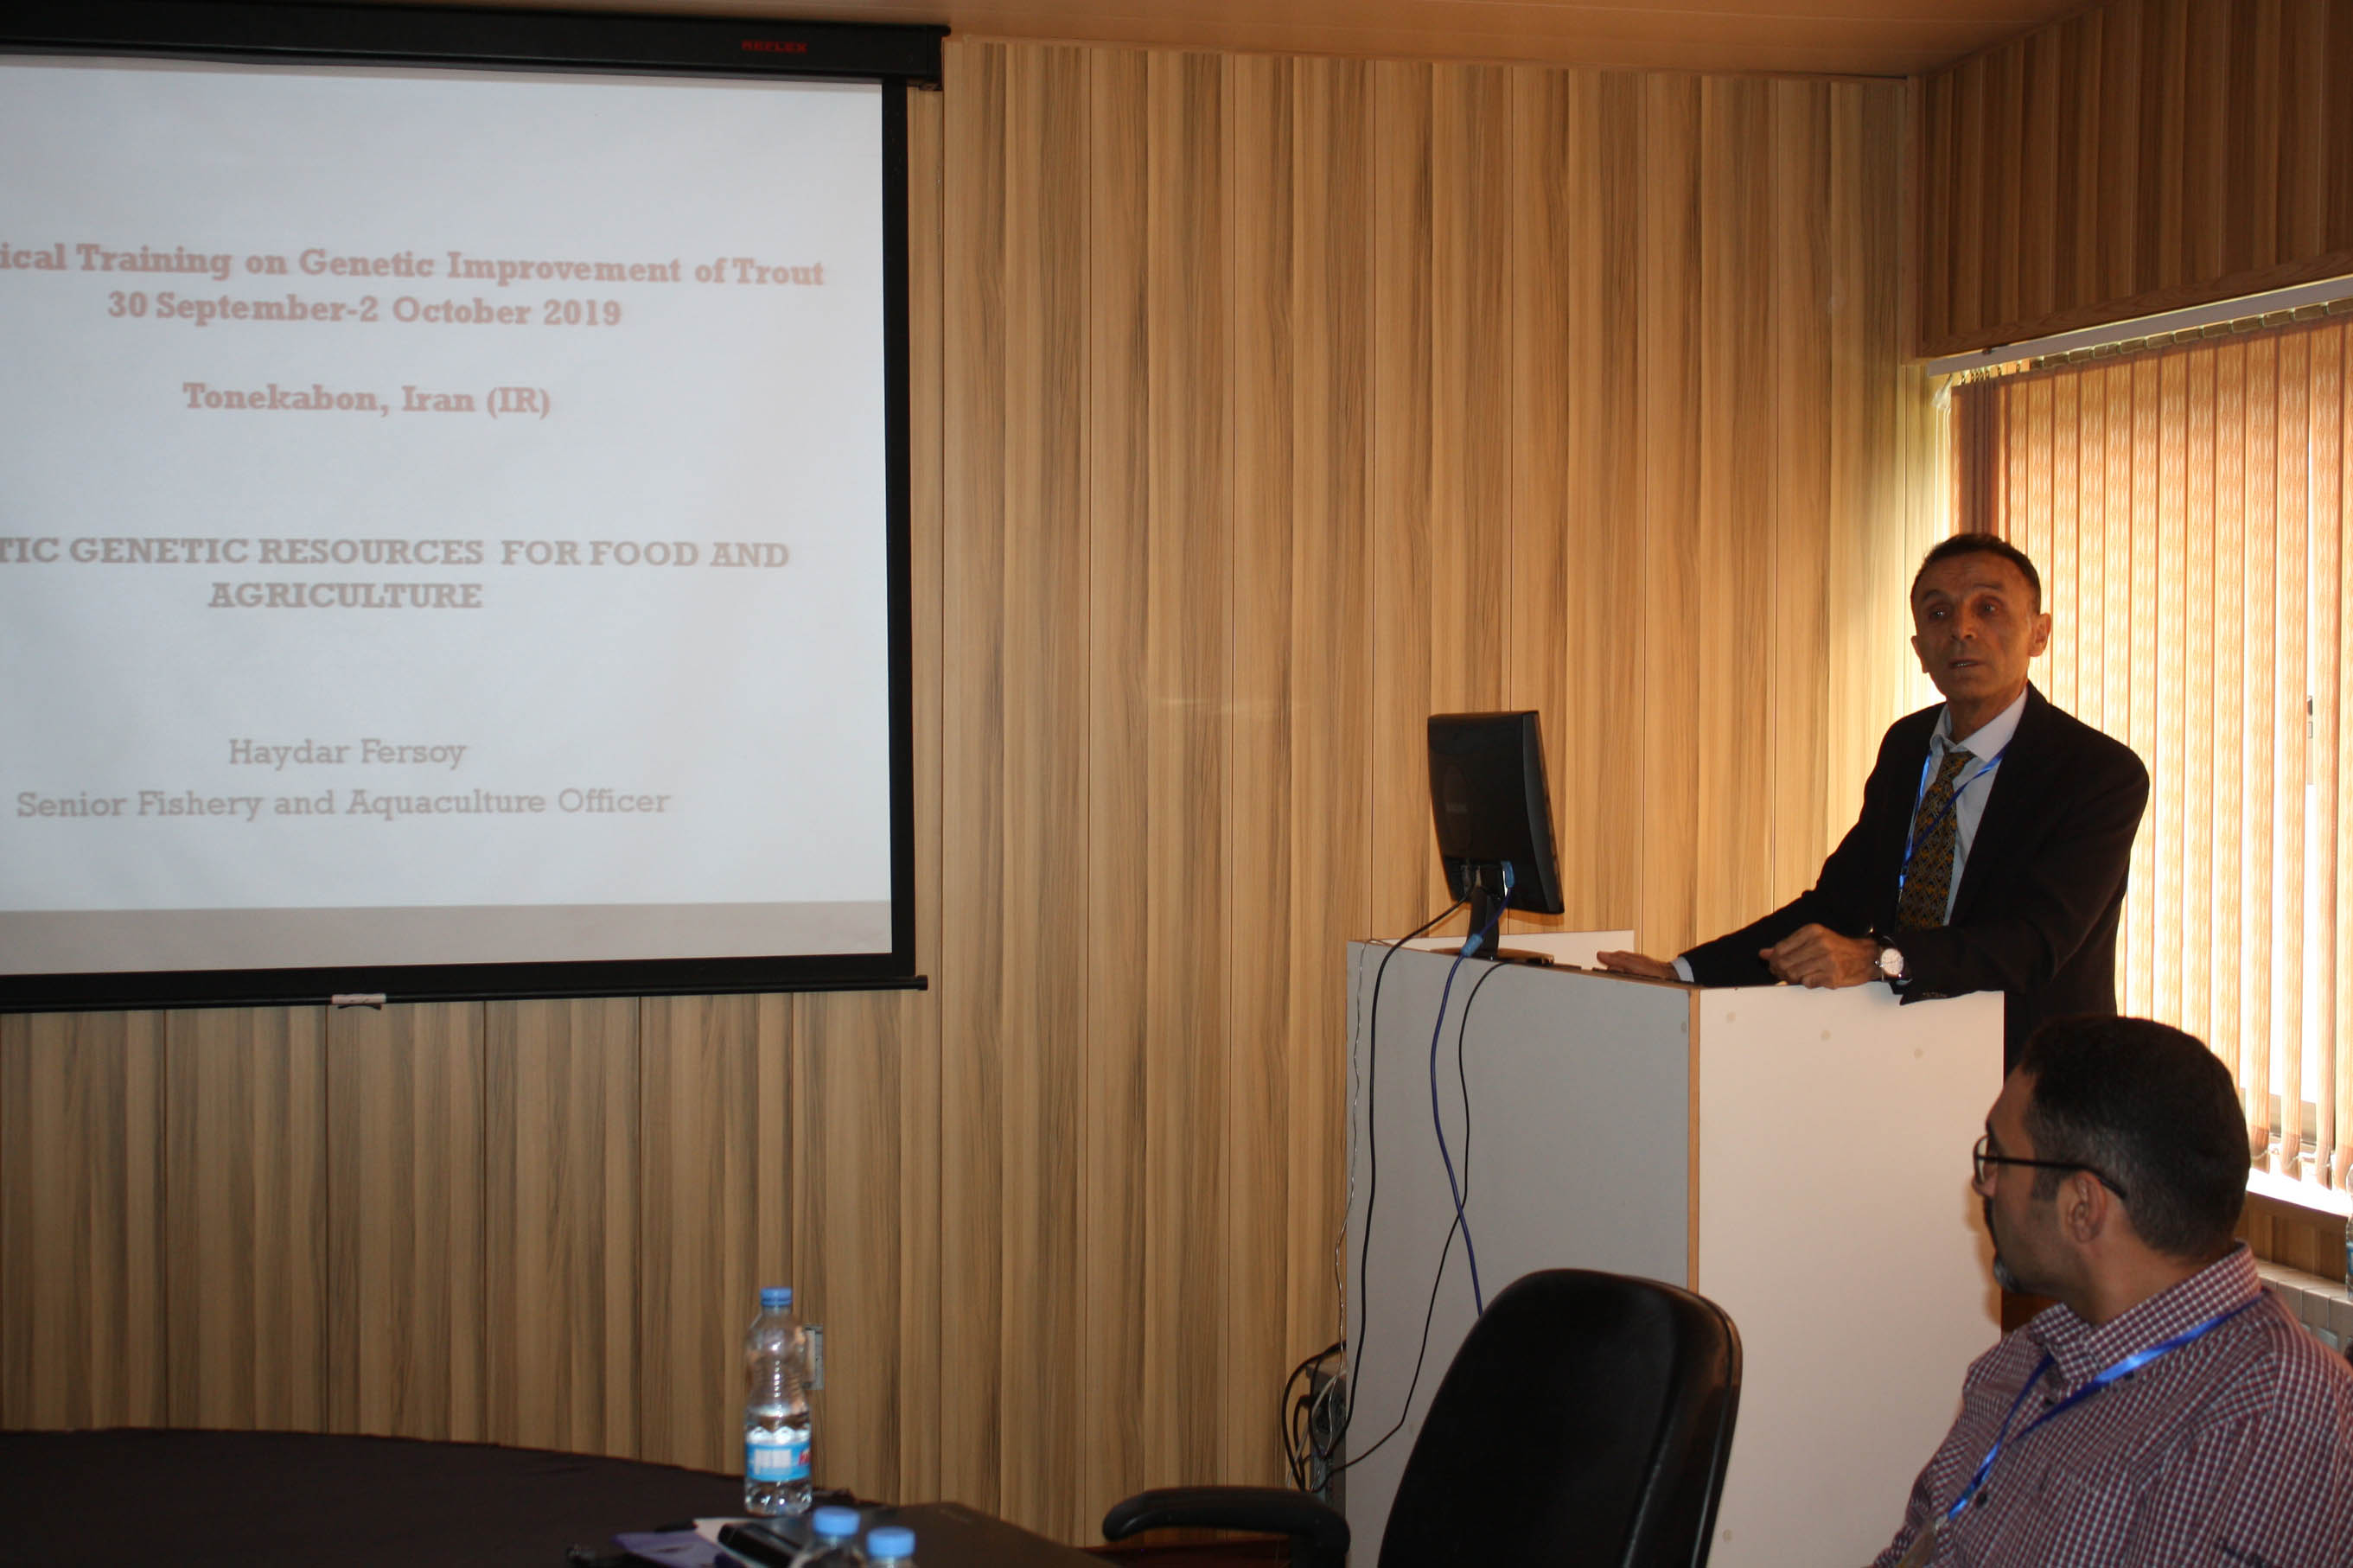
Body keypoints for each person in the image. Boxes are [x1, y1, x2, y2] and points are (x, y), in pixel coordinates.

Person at [1598, 533, 2149, 1068]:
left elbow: (2035, 943)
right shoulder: (1908, 745)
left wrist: (1879, 959)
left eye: (1988, 608)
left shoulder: (2099, 772)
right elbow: (1837, 905)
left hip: (2035, 1067)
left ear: (2039, 633)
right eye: (1938, 613)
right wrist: (1684, 974)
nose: (1962, 629)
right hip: (1899, 1052)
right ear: (1919, 649)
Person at [1871, 1016, 2353, 1566]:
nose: (1984, 1183)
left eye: (1999, 1157)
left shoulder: (2266, 1421)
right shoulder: (2024, 1359)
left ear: (2083, 1206)